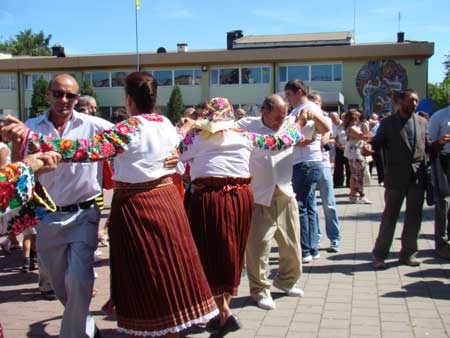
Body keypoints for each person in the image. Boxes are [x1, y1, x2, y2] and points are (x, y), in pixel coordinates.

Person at [6, 72, 219, 338]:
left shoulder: (128, 129)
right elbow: (177, 137)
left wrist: (29, 137)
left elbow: (82, 150)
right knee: (169, 265)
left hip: (137, 206)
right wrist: (186, 130)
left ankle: (149, 326)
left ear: (128, 99)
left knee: (142, 272)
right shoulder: (163, 123)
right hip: (167, 204)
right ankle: (169, 326)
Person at [180, 97, 305, 337]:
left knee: (209, 252)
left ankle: (224, 312)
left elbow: (174, 149)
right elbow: (281, 141)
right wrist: (297, 124)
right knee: (232, 252)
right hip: (241, 198)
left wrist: (187, 127)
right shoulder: (244, 136)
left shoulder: (197, 137)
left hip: (210, 197)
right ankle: (221, 311)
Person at [237, 95, 304, 311]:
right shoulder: (246, 126)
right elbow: (275, 146)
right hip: (259, 196)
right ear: (264, 111)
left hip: (284, 193)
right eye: (277, 117)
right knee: (259, 248)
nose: (280, 121)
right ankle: (260, 290)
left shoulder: (289, 125)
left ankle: (286, 281)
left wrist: (311, 113)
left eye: (284, 116)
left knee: (292, 246)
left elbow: (322, 129)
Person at [369, 89, 448, 268]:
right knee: (390, 216)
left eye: (416, 101)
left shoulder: (422, 122)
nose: (414, 104)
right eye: (411, 100)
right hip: (395, 177)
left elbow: (428, 147)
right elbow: (376, 143)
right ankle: (379, 255)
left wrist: (439, 143)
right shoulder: (388, 123)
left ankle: (408, 254)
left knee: (414, 217)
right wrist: (368, 148)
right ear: (400, 101)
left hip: (417, 177)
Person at [284, 80, 330, 263]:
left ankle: (305, 250)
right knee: (308, 205)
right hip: (305, 162)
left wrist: (294, 141)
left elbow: (321, 130)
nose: (287, 100)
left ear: (299, 92)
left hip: (306, 162)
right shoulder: (298, 110)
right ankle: (312, 247)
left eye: (288, 95)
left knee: (300, 206)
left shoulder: (308, 108)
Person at [307, 93, 341, 253]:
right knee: (311, 204)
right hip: (308, 165)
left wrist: (312, 137)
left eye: (316, 103)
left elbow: (324, 139)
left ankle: (334, 238)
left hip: (323, 164)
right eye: (310, 102)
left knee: (328, 203)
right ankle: (316, 235)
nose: (313, 105)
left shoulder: (325, 120)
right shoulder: (303, 121)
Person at [427, 89, 450, 260]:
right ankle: (441, 243)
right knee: (443, 202)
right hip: (443, 160)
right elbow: (429, 143)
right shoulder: (439, 116)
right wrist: (440, 142)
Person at [344, 109, 372, 204]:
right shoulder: (353, 128)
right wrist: (368, 128)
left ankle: (353, 195)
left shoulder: (349, 127)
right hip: (356, 153)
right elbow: (365, 137)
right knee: (359, 175)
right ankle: (361, 195)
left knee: (354, 174)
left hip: (352, 152)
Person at [330, 112, 350, 188]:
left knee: (349, 167)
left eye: (345, 118)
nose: (344, 119)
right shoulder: (338, 127)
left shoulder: (351, 127)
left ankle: (349, 183)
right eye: (343, 118)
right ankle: (338, 183)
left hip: (349, 148)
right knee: (338, 167)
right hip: (340, 148)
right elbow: (334, 138)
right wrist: (339, 146)